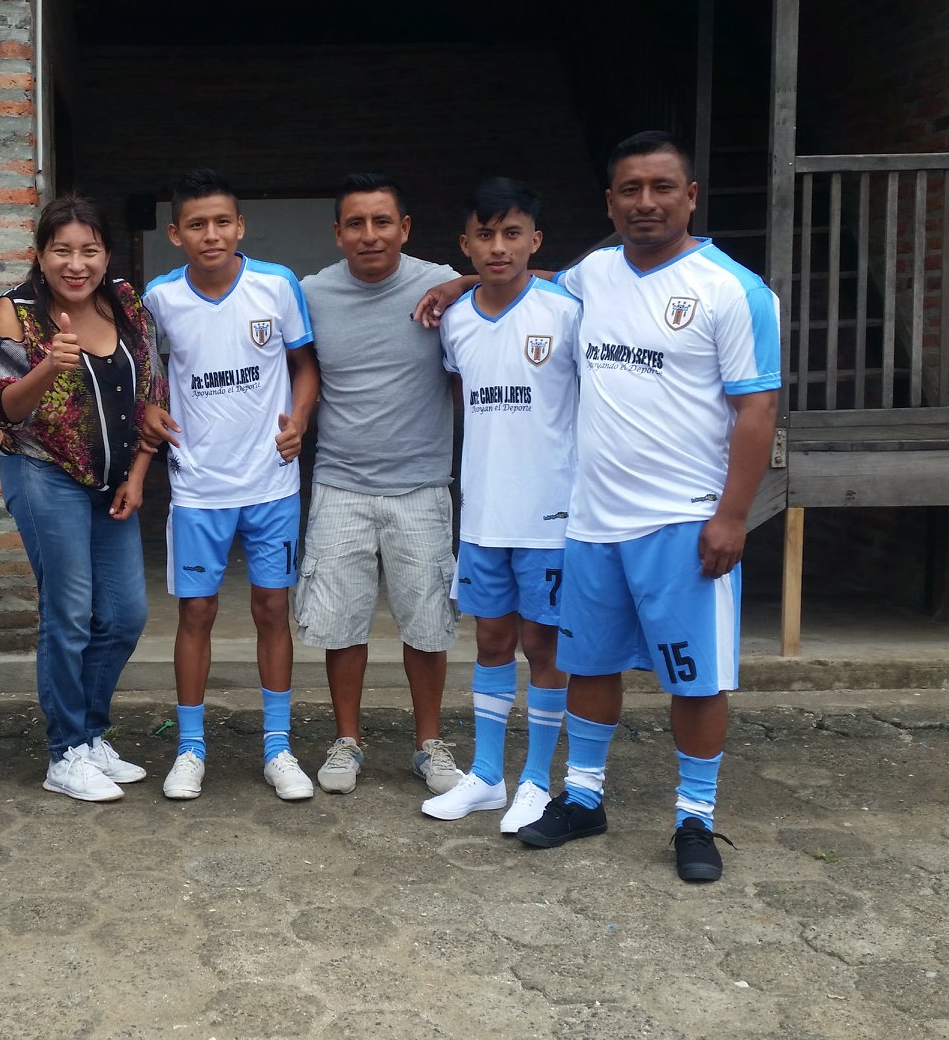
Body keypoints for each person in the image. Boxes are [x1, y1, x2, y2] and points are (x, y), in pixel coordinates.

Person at [519, 132, 780, 883]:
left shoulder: (734, 290)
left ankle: (694, 818)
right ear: (610, 203)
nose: (645, 202)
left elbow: (757, 410)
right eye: (629, 189)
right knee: (590, 663)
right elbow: (533, 285)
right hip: (594, 521)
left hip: (685, 522)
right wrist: (461, 285)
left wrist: (732, 516)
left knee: (696, 679)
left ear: (690, 196)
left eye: (662, 187)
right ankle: (583, 798)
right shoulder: (592, 274)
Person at [0, 194, 166, 802]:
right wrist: (48, 368)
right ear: (39, 254)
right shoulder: (15, 312)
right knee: (71, 612)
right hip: (44, 474)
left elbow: (151, 394)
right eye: (61, 250)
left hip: (113, 482)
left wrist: (138, 473)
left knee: (127, 614)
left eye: (90, 250)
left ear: (107, 255)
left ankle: (89, 732)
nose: (76, 264)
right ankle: (65, 752)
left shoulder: (125, 303)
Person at [142, 168, 319, 802]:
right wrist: (149, 409)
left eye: (222, 222)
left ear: (240, 226)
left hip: (271, 481)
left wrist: (299, 419)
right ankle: (190, 749)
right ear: (175, 234)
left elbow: (304, 367)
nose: (211, 234)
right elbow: (147, 375)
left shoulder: (277, 285)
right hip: (198, 486)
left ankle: (278, 747)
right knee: (196, 612)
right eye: (197, 225)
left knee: (273, 609)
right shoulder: (159, 298)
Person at [294, 173, 464, 797]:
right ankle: (347, 740)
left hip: (421, 486)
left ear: (405, 228)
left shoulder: (440, 284)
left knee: (427, 623)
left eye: (383, 222)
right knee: (342, 624)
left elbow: (521, 280)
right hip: (340, 482)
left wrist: (465, 282)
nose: (371, 235)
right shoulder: (311, 294)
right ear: (338, 233)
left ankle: (428, 743)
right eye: (356, 224)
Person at [419, 177, 580, 835]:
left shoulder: (567, 311)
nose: (498, 247)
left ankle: (537, 780)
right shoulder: (456, 320)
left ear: (535, 240)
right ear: (466, 244)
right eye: (484, 235)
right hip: (484, 512)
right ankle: (488, 775)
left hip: (551, 515)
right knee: (490, 640)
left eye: (512, 233)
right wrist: (457, 287)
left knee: (543, 645)